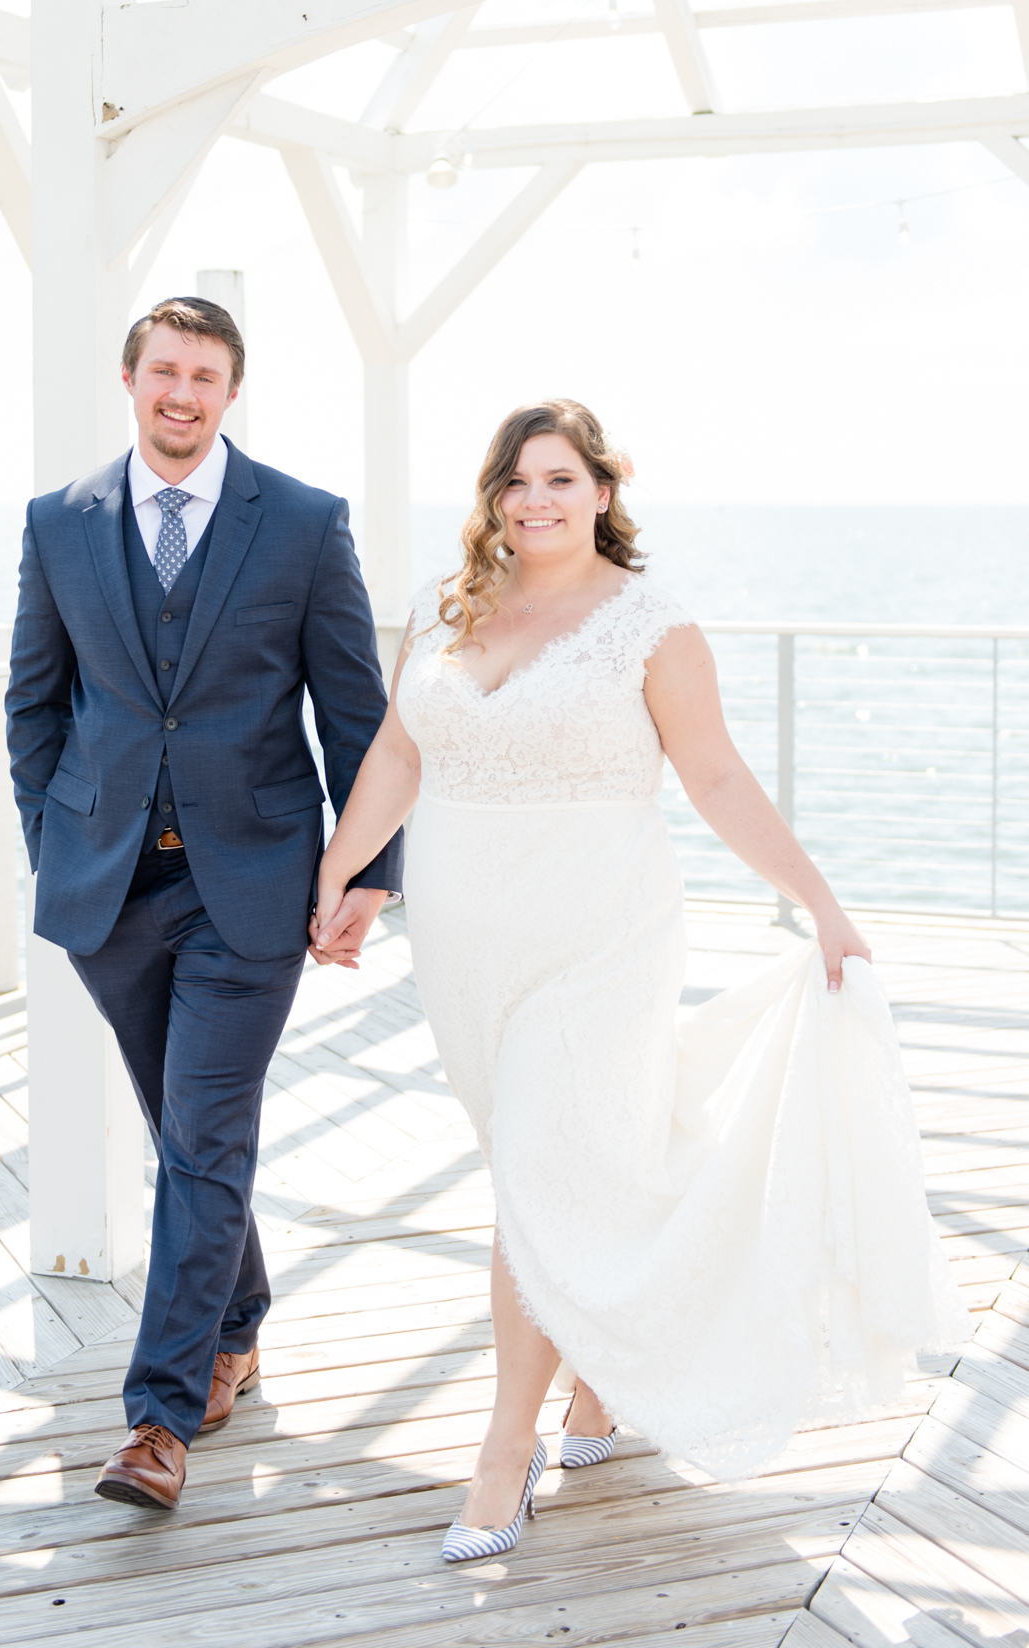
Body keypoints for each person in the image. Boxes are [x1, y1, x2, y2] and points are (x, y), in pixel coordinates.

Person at [312, 398, 968, 1561]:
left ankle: (502, 1453)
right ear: (492, 494)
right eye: (515, 481)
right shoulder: (437, 604)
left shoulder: (650, 625)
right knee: (557, 1172)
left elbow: (712, 777)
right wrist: (341, 865)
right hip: (463, 940)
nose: (535, 501)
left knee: (535, 1169)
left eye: (560, 479)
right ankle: (598, 1382)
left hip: (597, 937)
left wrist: (819, 903)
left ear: (602, 492)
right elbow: (399, 751)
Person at [6, 296, 403, 1513]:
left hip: (253, 887)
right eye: (164, 370)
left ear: (233, 390)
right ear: (128, 377)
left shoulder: (299, 521)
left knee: (201, 1133)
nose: (182, 393)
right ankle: (236, 1313)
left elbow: (354, 715)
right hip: (109, 889)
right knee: (187, 1134)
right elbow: (33, 705)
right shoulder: (59, 522)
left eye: (206, 375)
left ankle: (158, 1418)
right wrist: (54, 846)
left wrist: (368, 876)